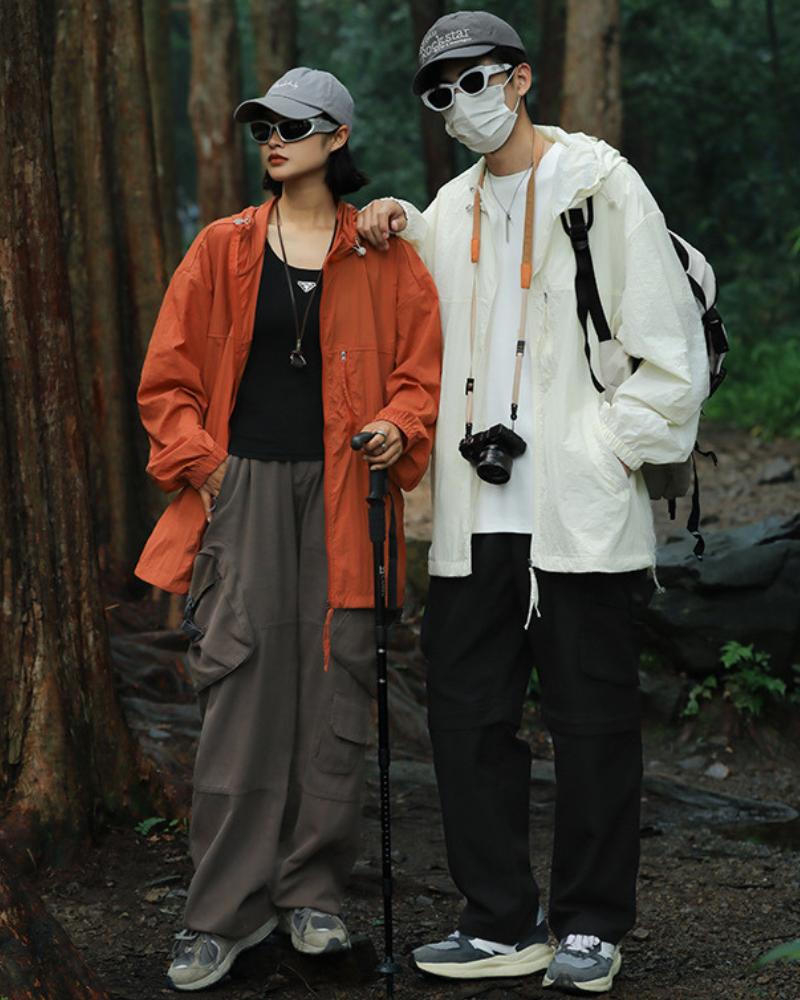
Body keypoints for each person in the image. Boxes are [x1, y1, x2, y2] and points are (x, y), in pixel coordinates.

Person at [357, 10, 708, 995]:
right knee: (466, 720)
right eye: (441, 91)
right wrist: (392, 216)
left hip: (577, 512)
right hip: (477, 517)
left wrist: (603, 449)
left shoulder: (599, 183)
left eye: (476, 79)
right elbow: (417, 308)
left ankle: (591, 925)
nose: (461, 102)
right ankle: (499, 921)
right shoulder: (449, 206)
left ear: (518, 78)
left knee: (593, 721)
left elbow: (668, 356)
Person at [136, 67, 441, 992]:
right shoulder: (222, 248)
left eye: (293, 126)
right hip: (245, 491)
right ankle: (221, 913)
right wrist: (209, 470)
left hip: (350, 492)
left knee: (338, 685)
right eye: (262, 126)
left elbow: (421, 376)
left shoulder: (384, 253)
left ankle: (313, 895)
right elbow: (167, 381)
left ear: (336, 138)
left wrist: (399, 425)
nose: (273, 139)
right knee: (240, 689)